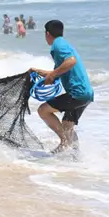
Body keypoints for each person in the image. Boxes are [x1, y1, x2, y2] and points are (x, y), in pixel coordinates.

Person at [29, 20, 94, 154]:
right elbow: (58, 72)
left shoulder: (58, 45)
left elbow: (71, 61)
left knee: (43, 110)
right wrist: (38, 71)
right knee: (67, 126)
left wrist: (52, 75)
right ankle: (75, 157)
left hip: (76, 93)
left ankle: (64, 143)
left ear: (47, 34)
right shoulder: (64, 44)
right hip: (86, 94)